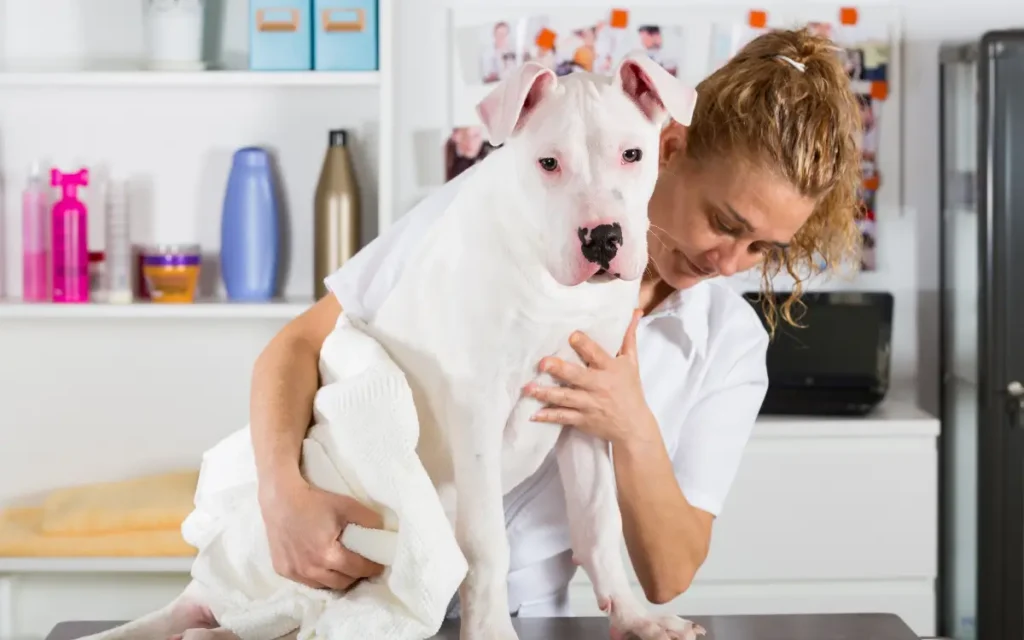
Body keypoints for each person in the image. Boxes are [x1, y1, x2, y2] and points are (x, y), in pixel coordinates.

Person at [249, 27, 863, 617]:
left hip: (527, 613)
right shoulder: (497, 212)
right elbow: (304, 341)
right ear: (669, 149)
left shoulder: (727, 342)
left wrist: (632, 427)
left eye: (763, 249)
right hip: (350, 572)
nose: (728, 262)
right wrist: (280, 495)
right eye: (726, 223)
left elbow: (670, 576)